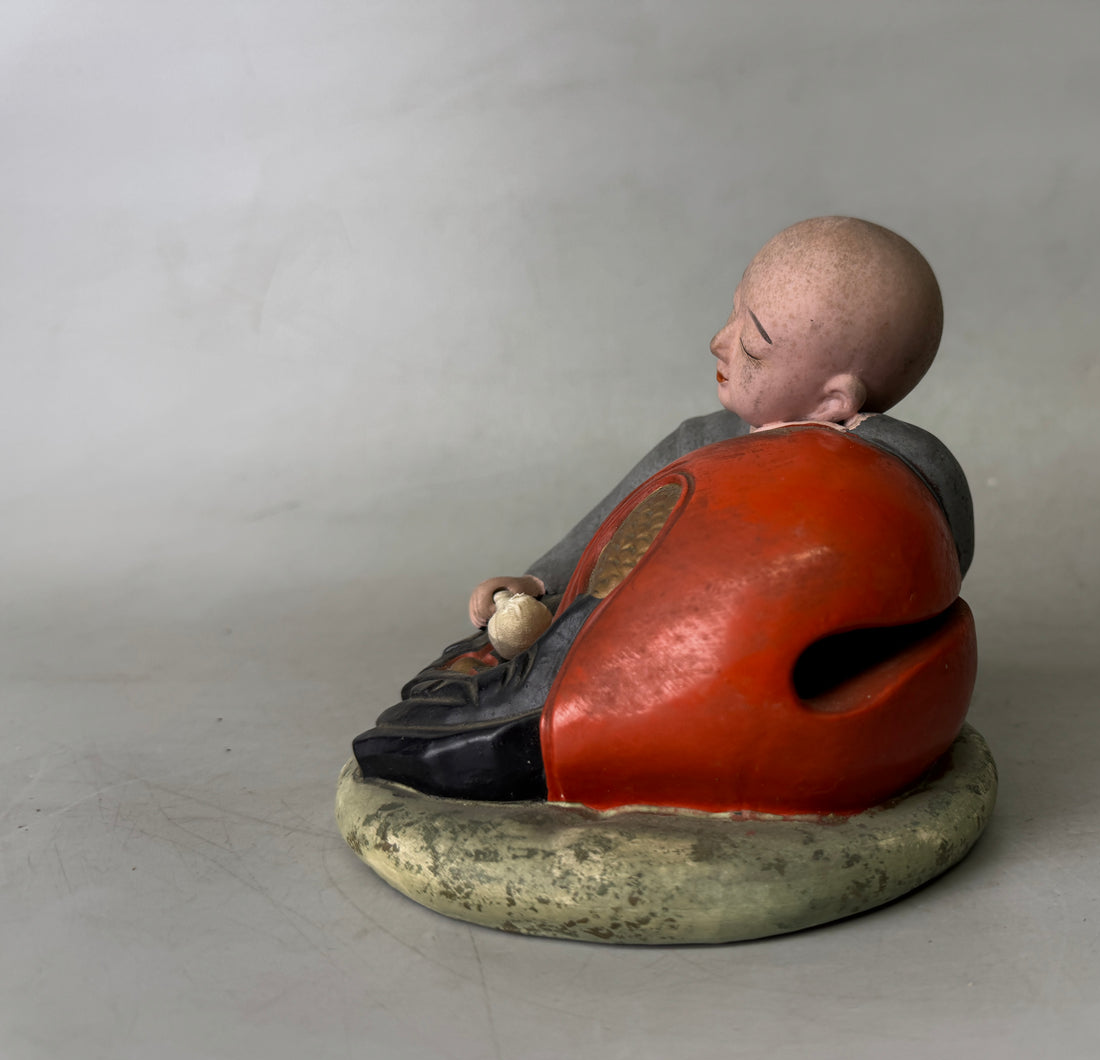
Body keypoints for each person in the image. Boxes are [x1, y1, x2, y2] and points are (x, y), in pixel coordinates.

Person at [352, 217, 974, 802]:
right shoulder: (701, 444)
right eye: (732, 313)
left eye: (752, 344)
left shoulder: (894, 468)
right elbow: (608, 526)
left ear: (835, 400)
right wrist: (539, 582)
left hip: (768, 663)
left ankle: (528, 728)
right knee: (525, 645)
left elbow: (944, 556)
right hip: (634, 624)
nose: (719, 342)